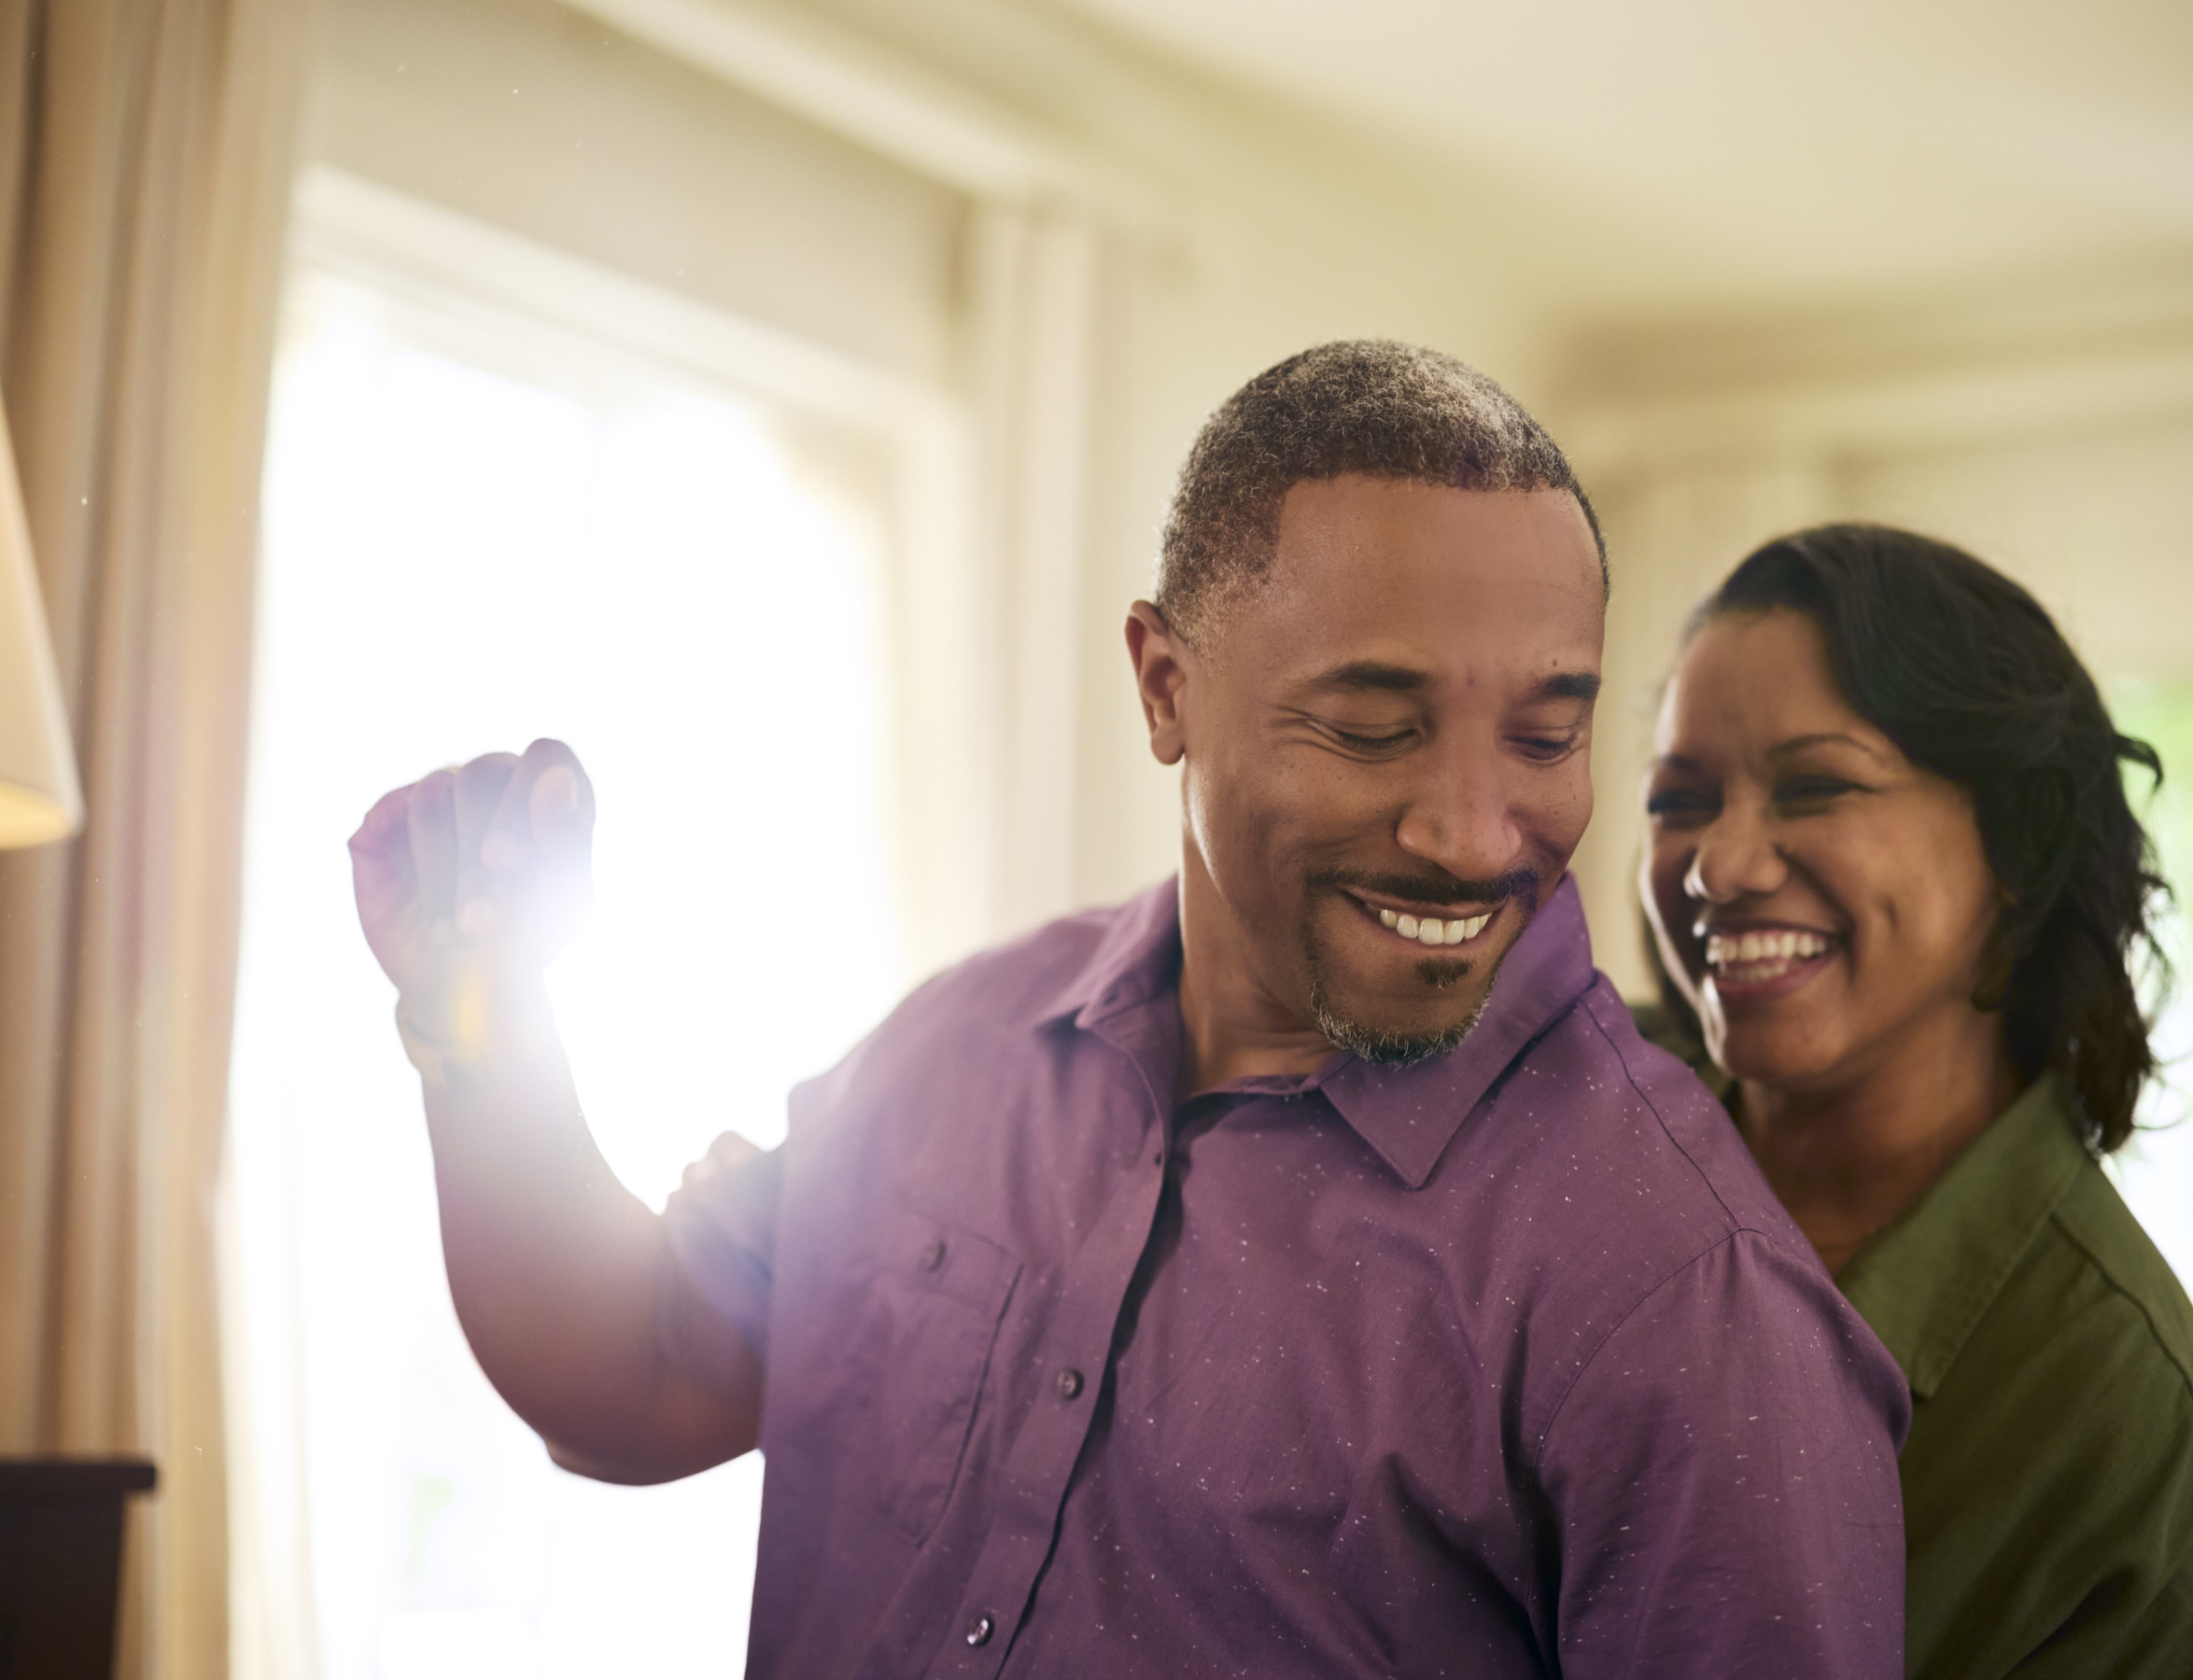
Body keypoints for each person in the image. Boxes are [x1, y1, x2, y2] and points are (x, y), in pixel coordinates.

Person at [349, 343, 1909, 1678]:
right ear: (1165, 684)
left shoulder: (1689, 1300)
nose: (1471, 829)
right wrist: (472, 1023)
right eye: (1376, 726)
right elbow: (638, 1371)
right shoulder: (955, 1051)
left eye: (1545, 734)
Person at [1636, 523, 2193, 1679]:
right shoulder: (1576, 1138)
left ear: (2016, 841)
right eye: (1679, 799)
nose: (1716, 867)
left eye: (1816, 784)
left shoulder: (2111, 1408)